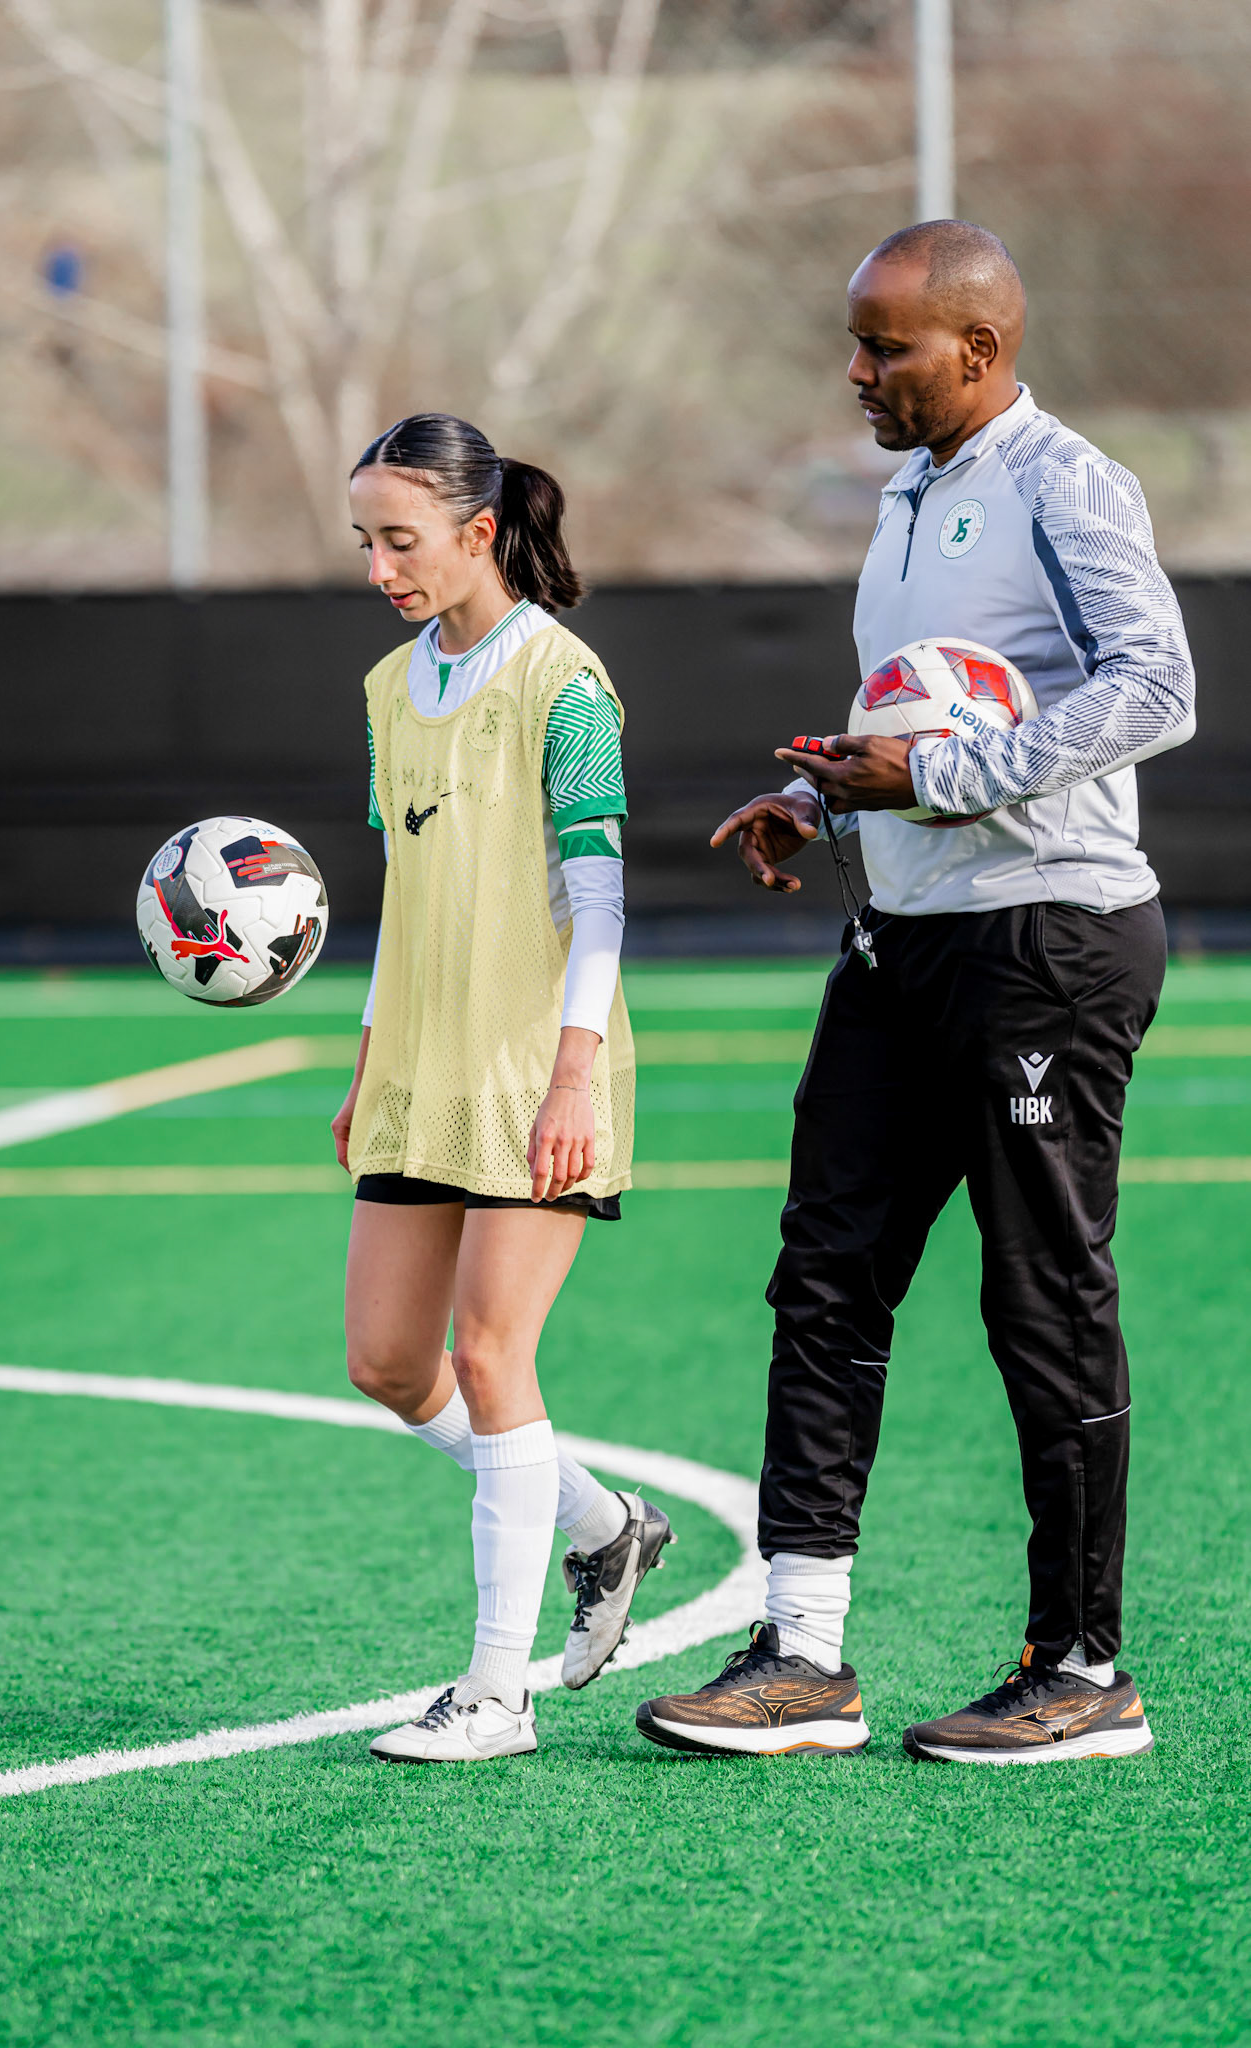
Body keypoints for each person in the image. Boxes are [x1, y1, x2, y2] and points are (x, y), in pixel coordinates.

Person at [635, 220, 1194, 1764]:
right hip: (902, 937)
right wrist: (832, 802)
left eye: (886, 347)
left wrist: (935, 777)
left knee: (1039, 1301)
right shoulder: (908, 492)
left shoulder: (1063, 482)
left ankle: (1080, 1674)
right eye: (856, 342)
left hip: (1046, 945)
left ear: (979, 350)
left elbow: (1155, 691)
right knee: (824, 1279)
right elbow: (926, 703)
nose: (858, 371)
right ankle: (801, 1658)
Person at [333, 413, 673, 1764]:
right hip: (419, 1066)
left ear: (479, 533)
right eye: (364, 542)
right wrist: (370, 1064)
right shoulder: (380, 690)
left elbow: (597, 900)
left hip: (540, 1069)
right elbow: (404, 895)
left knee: (490, 1354)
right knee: (388, 1363)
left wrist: (574, 1076)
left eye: (399, 540)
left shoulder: (563, 681)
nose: (379, 568)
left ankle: (494, 1693)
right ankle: (605, 1526)